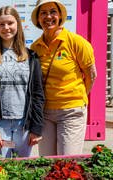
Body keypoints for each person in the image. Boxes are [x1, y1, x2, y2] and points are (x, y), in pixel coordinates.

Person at [30, 0, 97, 156]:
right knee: (47, 162)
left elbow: (91, 75)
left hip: (71, 111)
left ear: (60, 15)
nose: (48, 17)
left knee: (67, 161)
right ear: (38, 19)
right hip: (45, 112)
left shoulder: (77, 42)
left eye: (53, 11)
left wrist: (77, 98)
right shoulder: (35, 47)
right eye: (43, 13)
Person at [0, 6, 45, 158]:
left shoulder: (32, 57)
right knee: (1, 169)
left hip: (24, 125)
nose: (6, 28)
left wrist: (36, 128)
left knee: (21, 169)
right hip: (0, 125)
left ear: (18, 25)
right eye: (1, 24)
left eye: (10, 23)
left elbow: (38, 94)